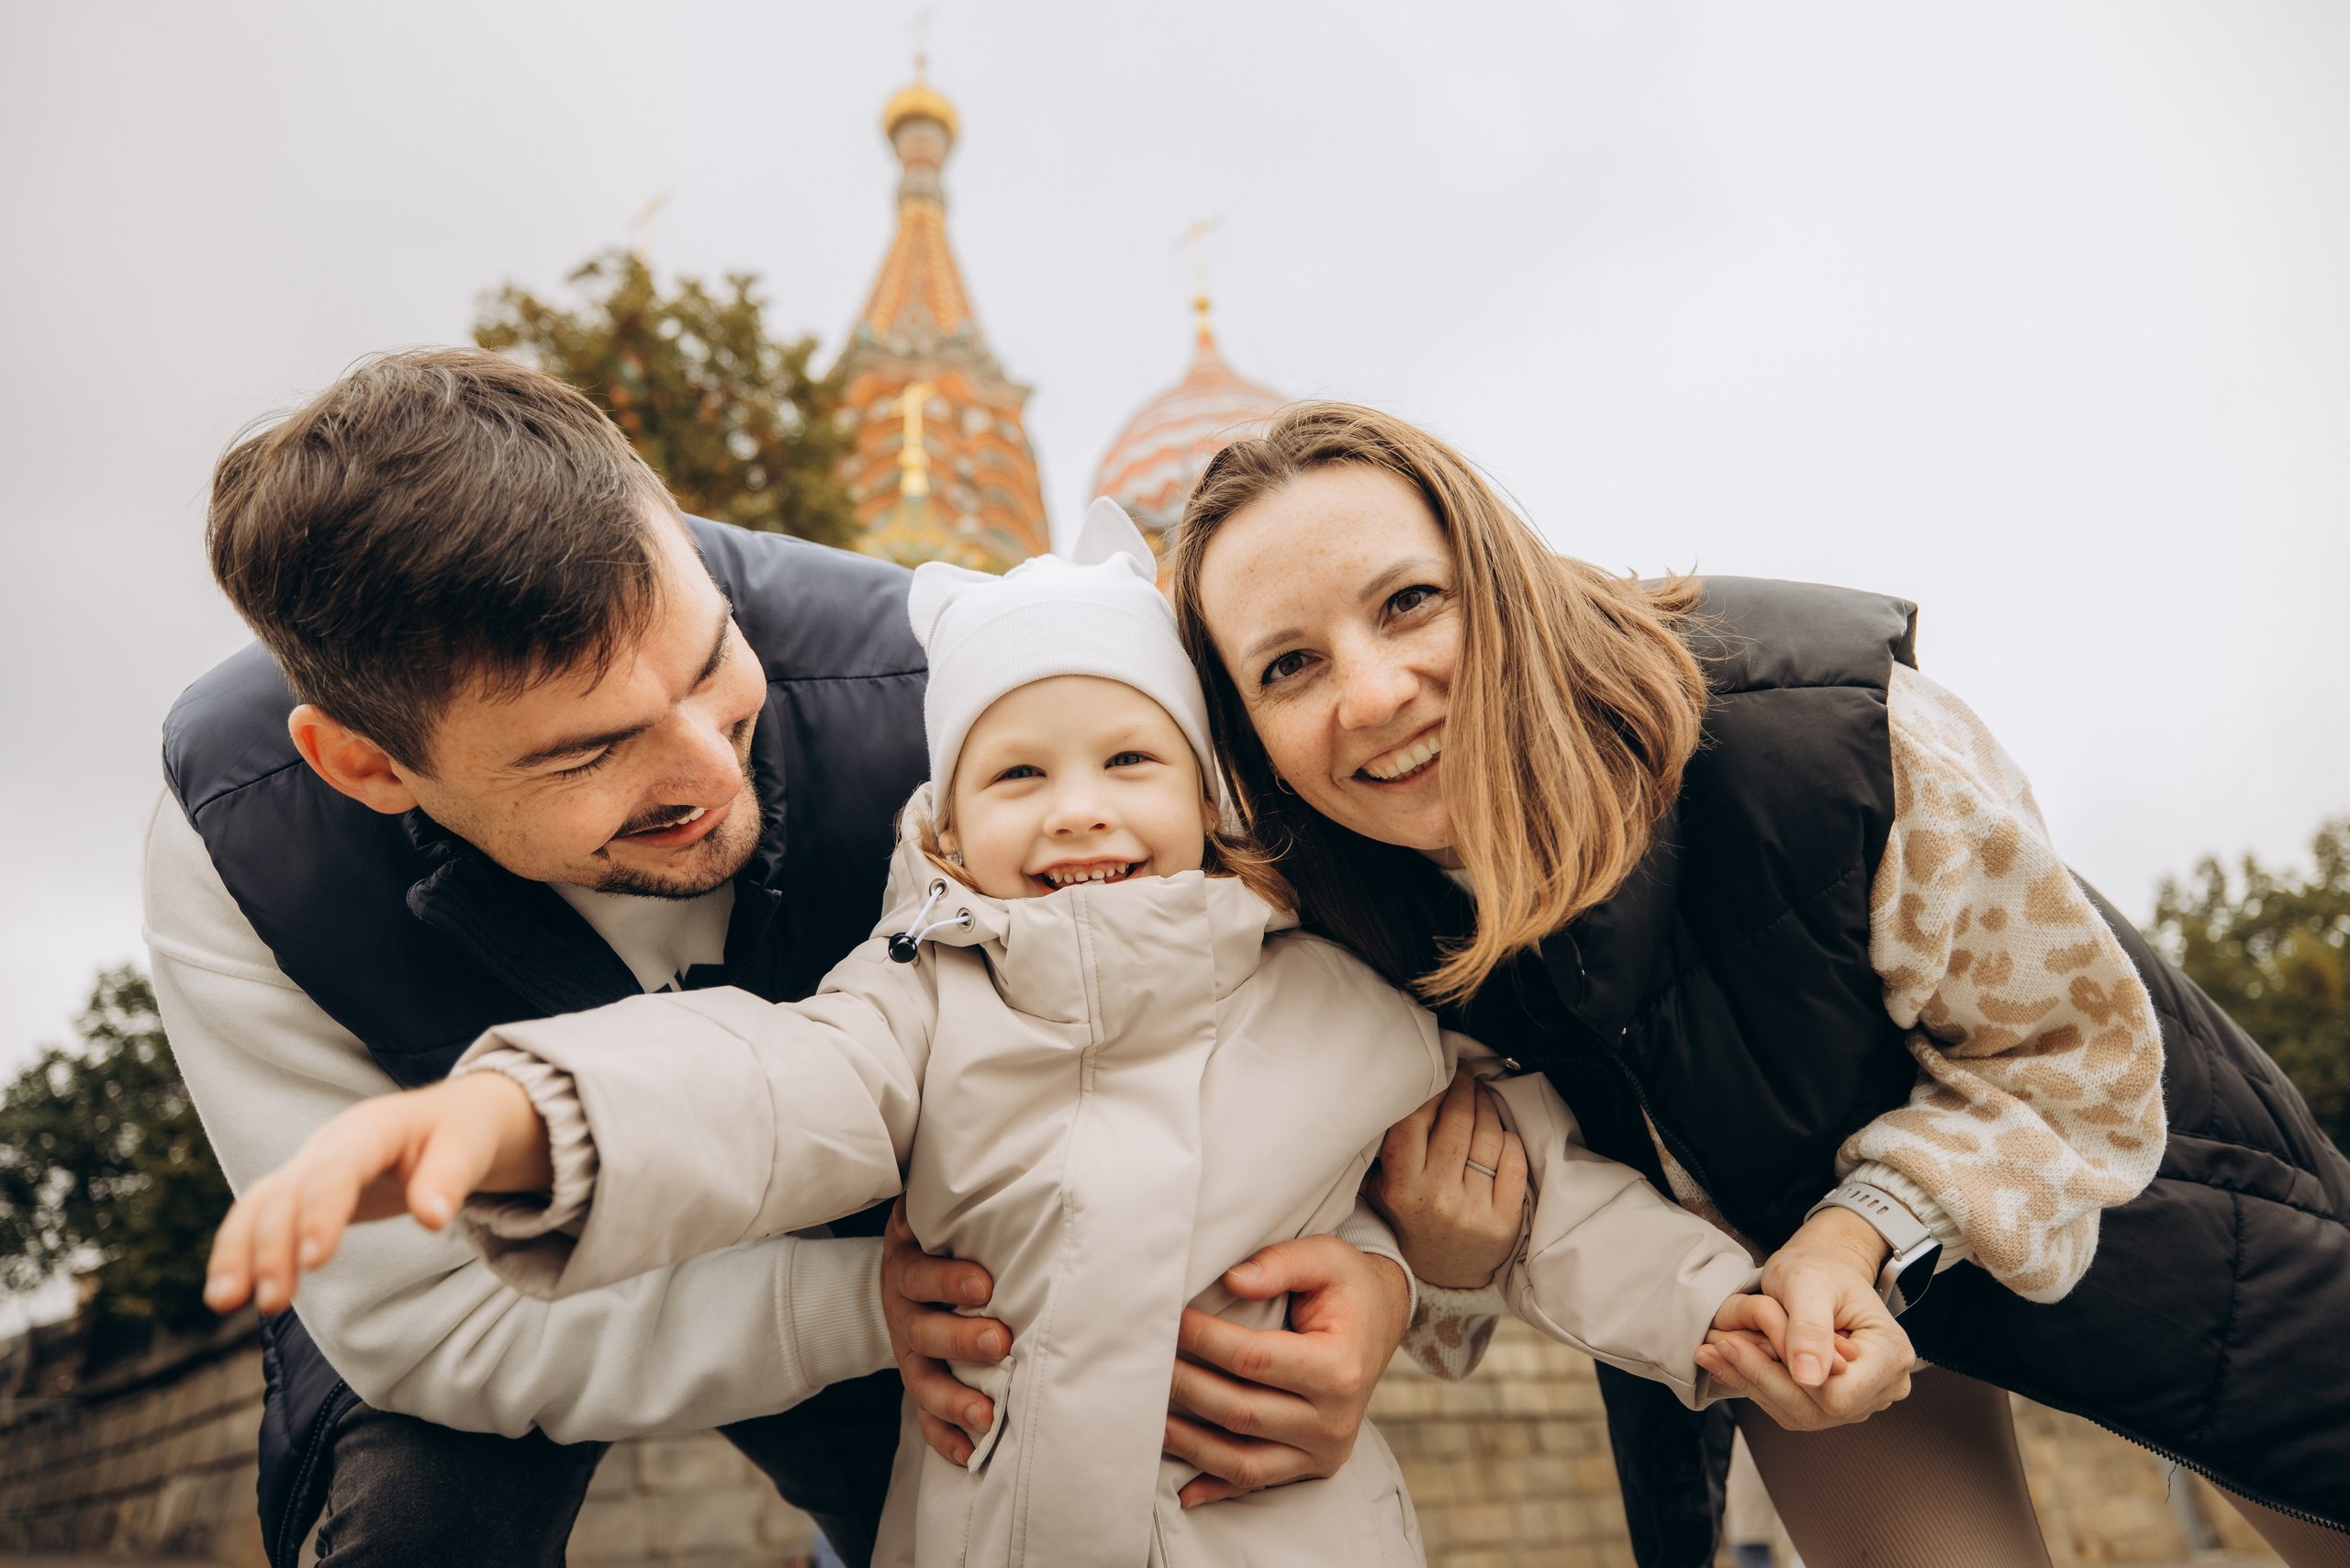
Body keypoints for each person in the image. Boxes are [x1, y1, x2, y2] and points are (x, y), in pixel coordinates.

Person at [202, 499, 1827, 1567]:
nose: (1080, 815)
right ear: (949, 828)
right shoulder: (910, 1008)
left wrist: (1725, 1320)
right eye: (1019, 775)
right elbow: (755, 1088)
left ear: (1208, 796)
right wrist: (506, 1123)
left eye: (1130, 764)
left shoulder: (1348, 1005)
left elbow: (1540, 1199)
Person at [151, 350, 1416, 1567]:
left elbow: (1282, 998)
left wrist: (1389, 1280)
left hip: (921, 1254)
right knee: (417, 1529)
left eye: (713, 664)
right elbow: (425, 1322)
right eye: (590, 751)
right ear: (365, 766)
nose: (712, 773)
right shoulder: (245, 840)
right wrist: (839, 1305)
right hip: (540, 1285)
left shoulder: (963, 707)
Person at [1146, 401, 2350, 1567]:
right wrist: (1430, 1265)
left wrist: (1858, 1231)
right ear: (1245, 735)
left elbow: (2075, 1058)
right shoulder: (1334, 929)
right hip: (1780, 1297)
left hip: (2130, 1192)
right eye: (1289, 667)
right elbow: (1451, 1206)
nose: (1372, 694)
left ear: (1499, 578)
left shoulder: (1831, 732)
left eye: (1409, 602)